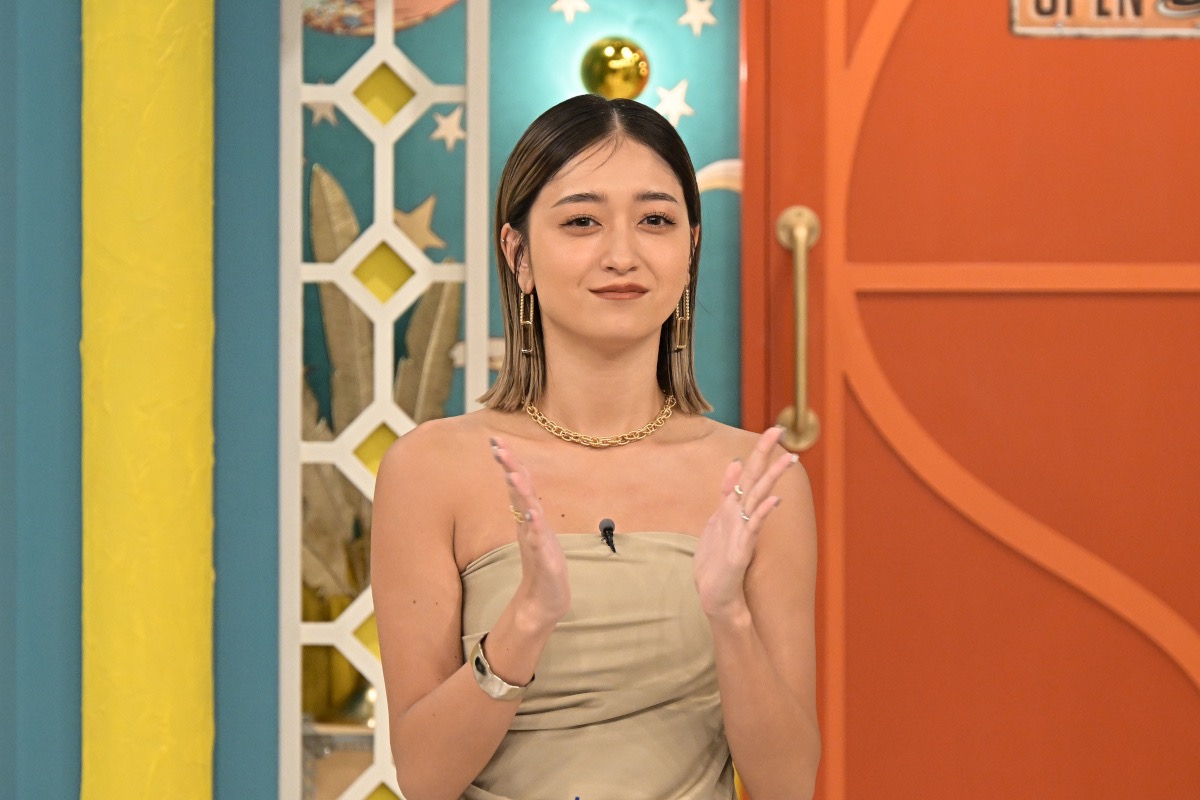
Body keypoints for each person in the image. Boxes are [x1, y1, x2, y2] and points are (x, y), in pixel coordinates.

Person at [372, 94, 820, 800]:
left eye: (655, 221)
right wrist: (527, 620)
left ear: (690, 249)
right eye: (582, 221)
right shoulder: (430, 469)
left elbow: (788, 785)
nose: (621, 255)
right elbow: (424, 778)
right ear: (517, 253)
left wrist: (728, 616)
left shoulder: (757, 480)